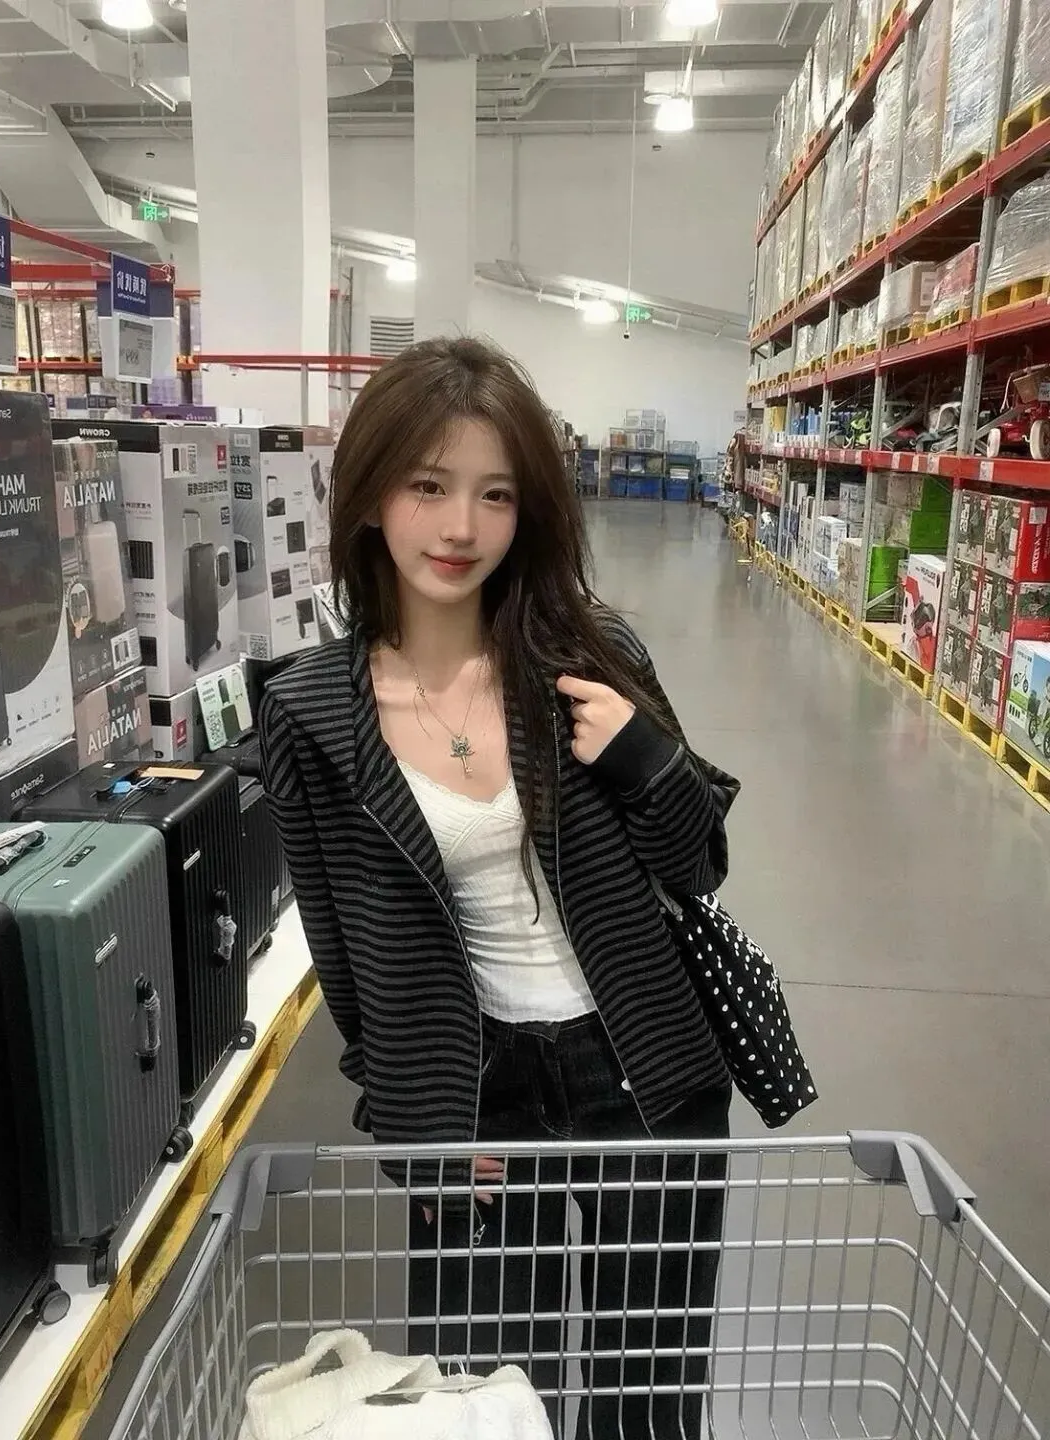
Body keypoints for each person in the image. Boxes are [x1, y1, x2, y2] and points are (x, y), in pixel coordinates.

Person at [260, 336, 740, 1438]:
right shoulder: (311, 714)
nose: (460, 528)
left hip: (642, 1071)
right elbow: (342, 954)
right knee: (481, 1404)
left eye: (495, 494)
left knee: (648, 1403)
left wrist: (646, 759)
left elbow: (700, 865)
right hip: (472, 1093)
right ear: (371, 493)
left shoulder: (589, 657)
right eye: (428, 485)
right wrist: (403, 1114)